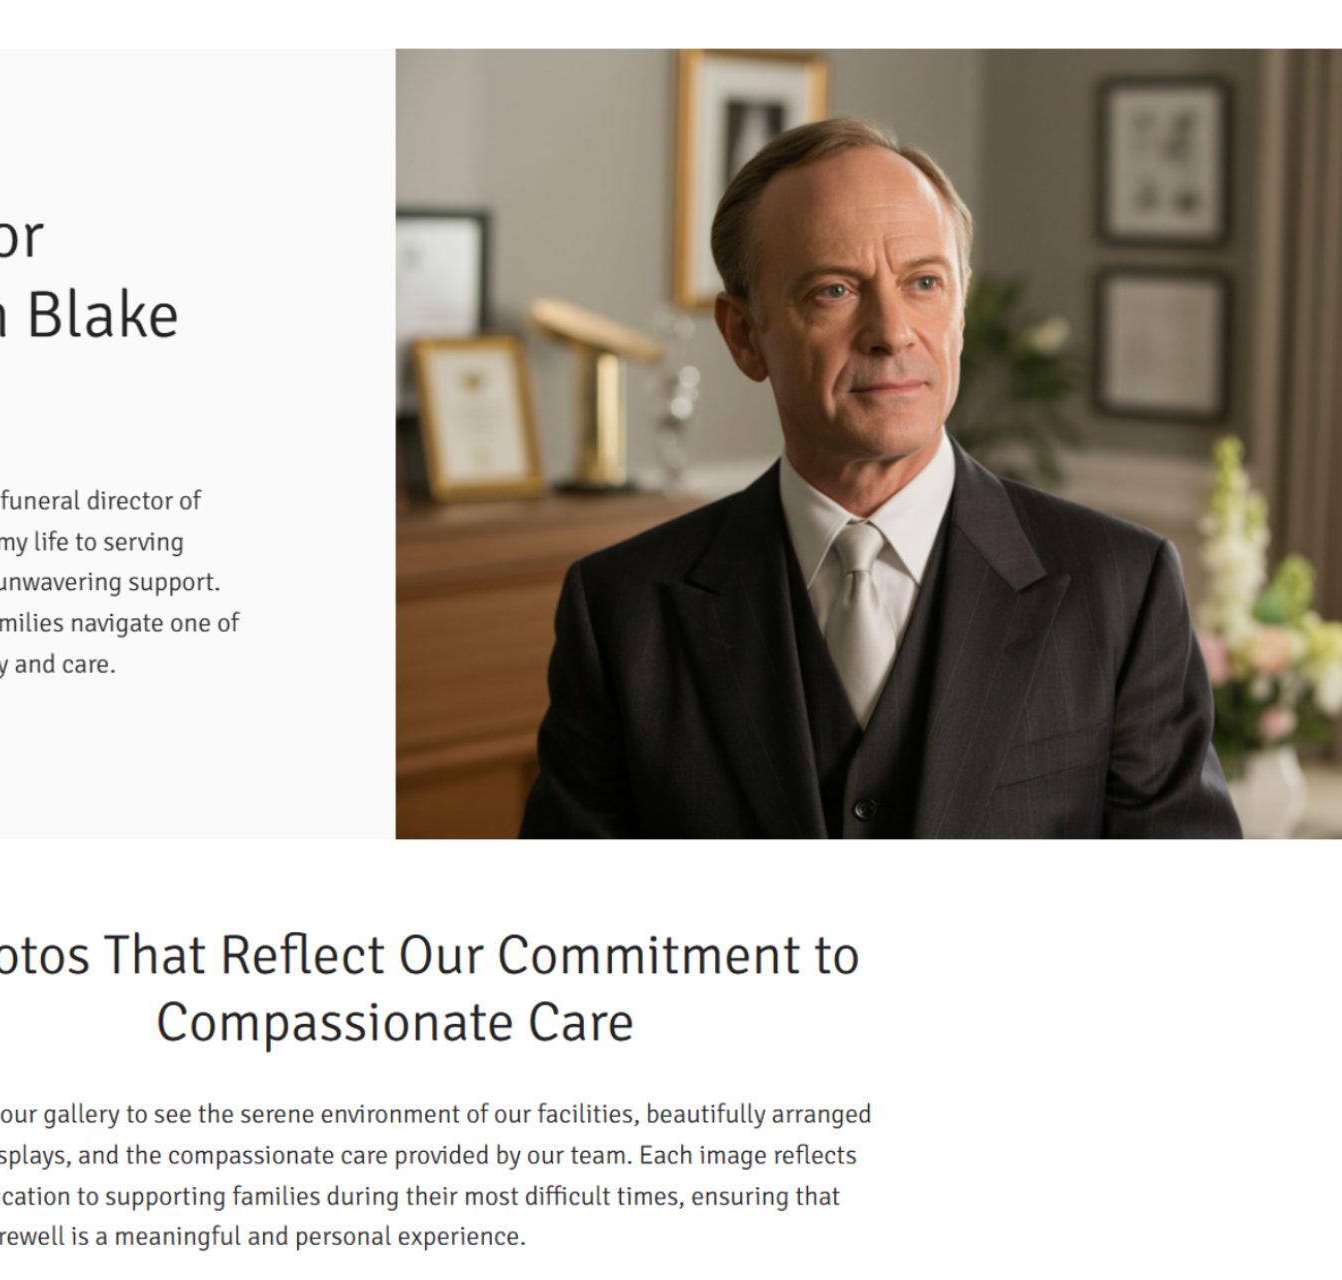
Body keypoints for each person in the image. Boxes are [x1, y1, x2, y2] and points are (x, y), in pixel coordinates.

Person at [520, 118, 1239, 838]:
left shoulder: (1121, 587)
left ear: (958, 313)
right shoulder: (621, 611)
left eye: (924, 282)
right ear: (744, 335)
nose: (892, 331)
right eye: (834, 290)